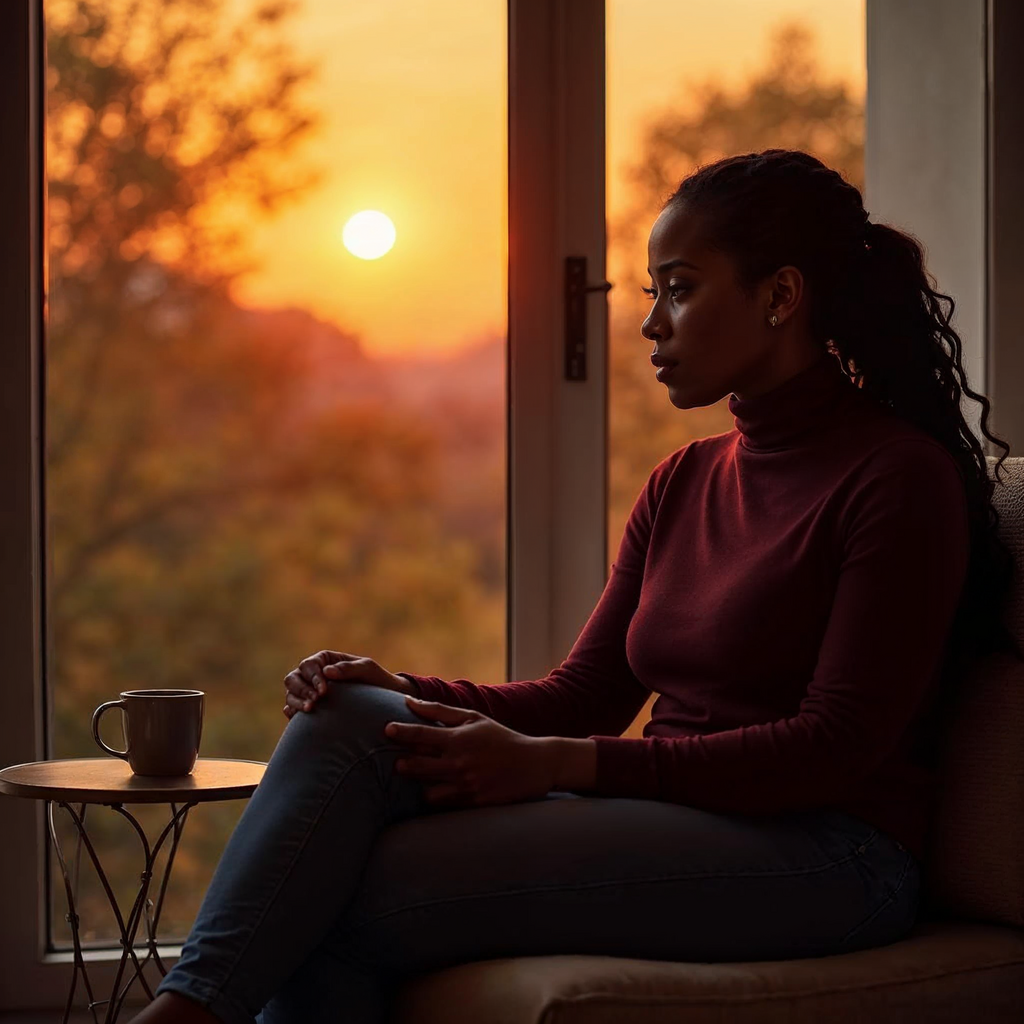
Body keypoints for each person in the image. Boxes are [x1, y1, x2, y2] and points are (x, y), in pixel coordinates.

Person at [132, 149, 1020, 1024]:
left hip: (831, 855)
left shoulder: (897, 479)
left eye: (680, 288)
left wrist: (564, 769)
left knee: (342, 888)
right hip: (680, 818)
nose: (651, 325)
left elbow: (833, 747)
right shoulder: (683, 479)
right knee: (350, 720)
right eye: (652, 294)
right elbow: (583, 695)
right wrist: (396, 688)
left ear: (780, 297)